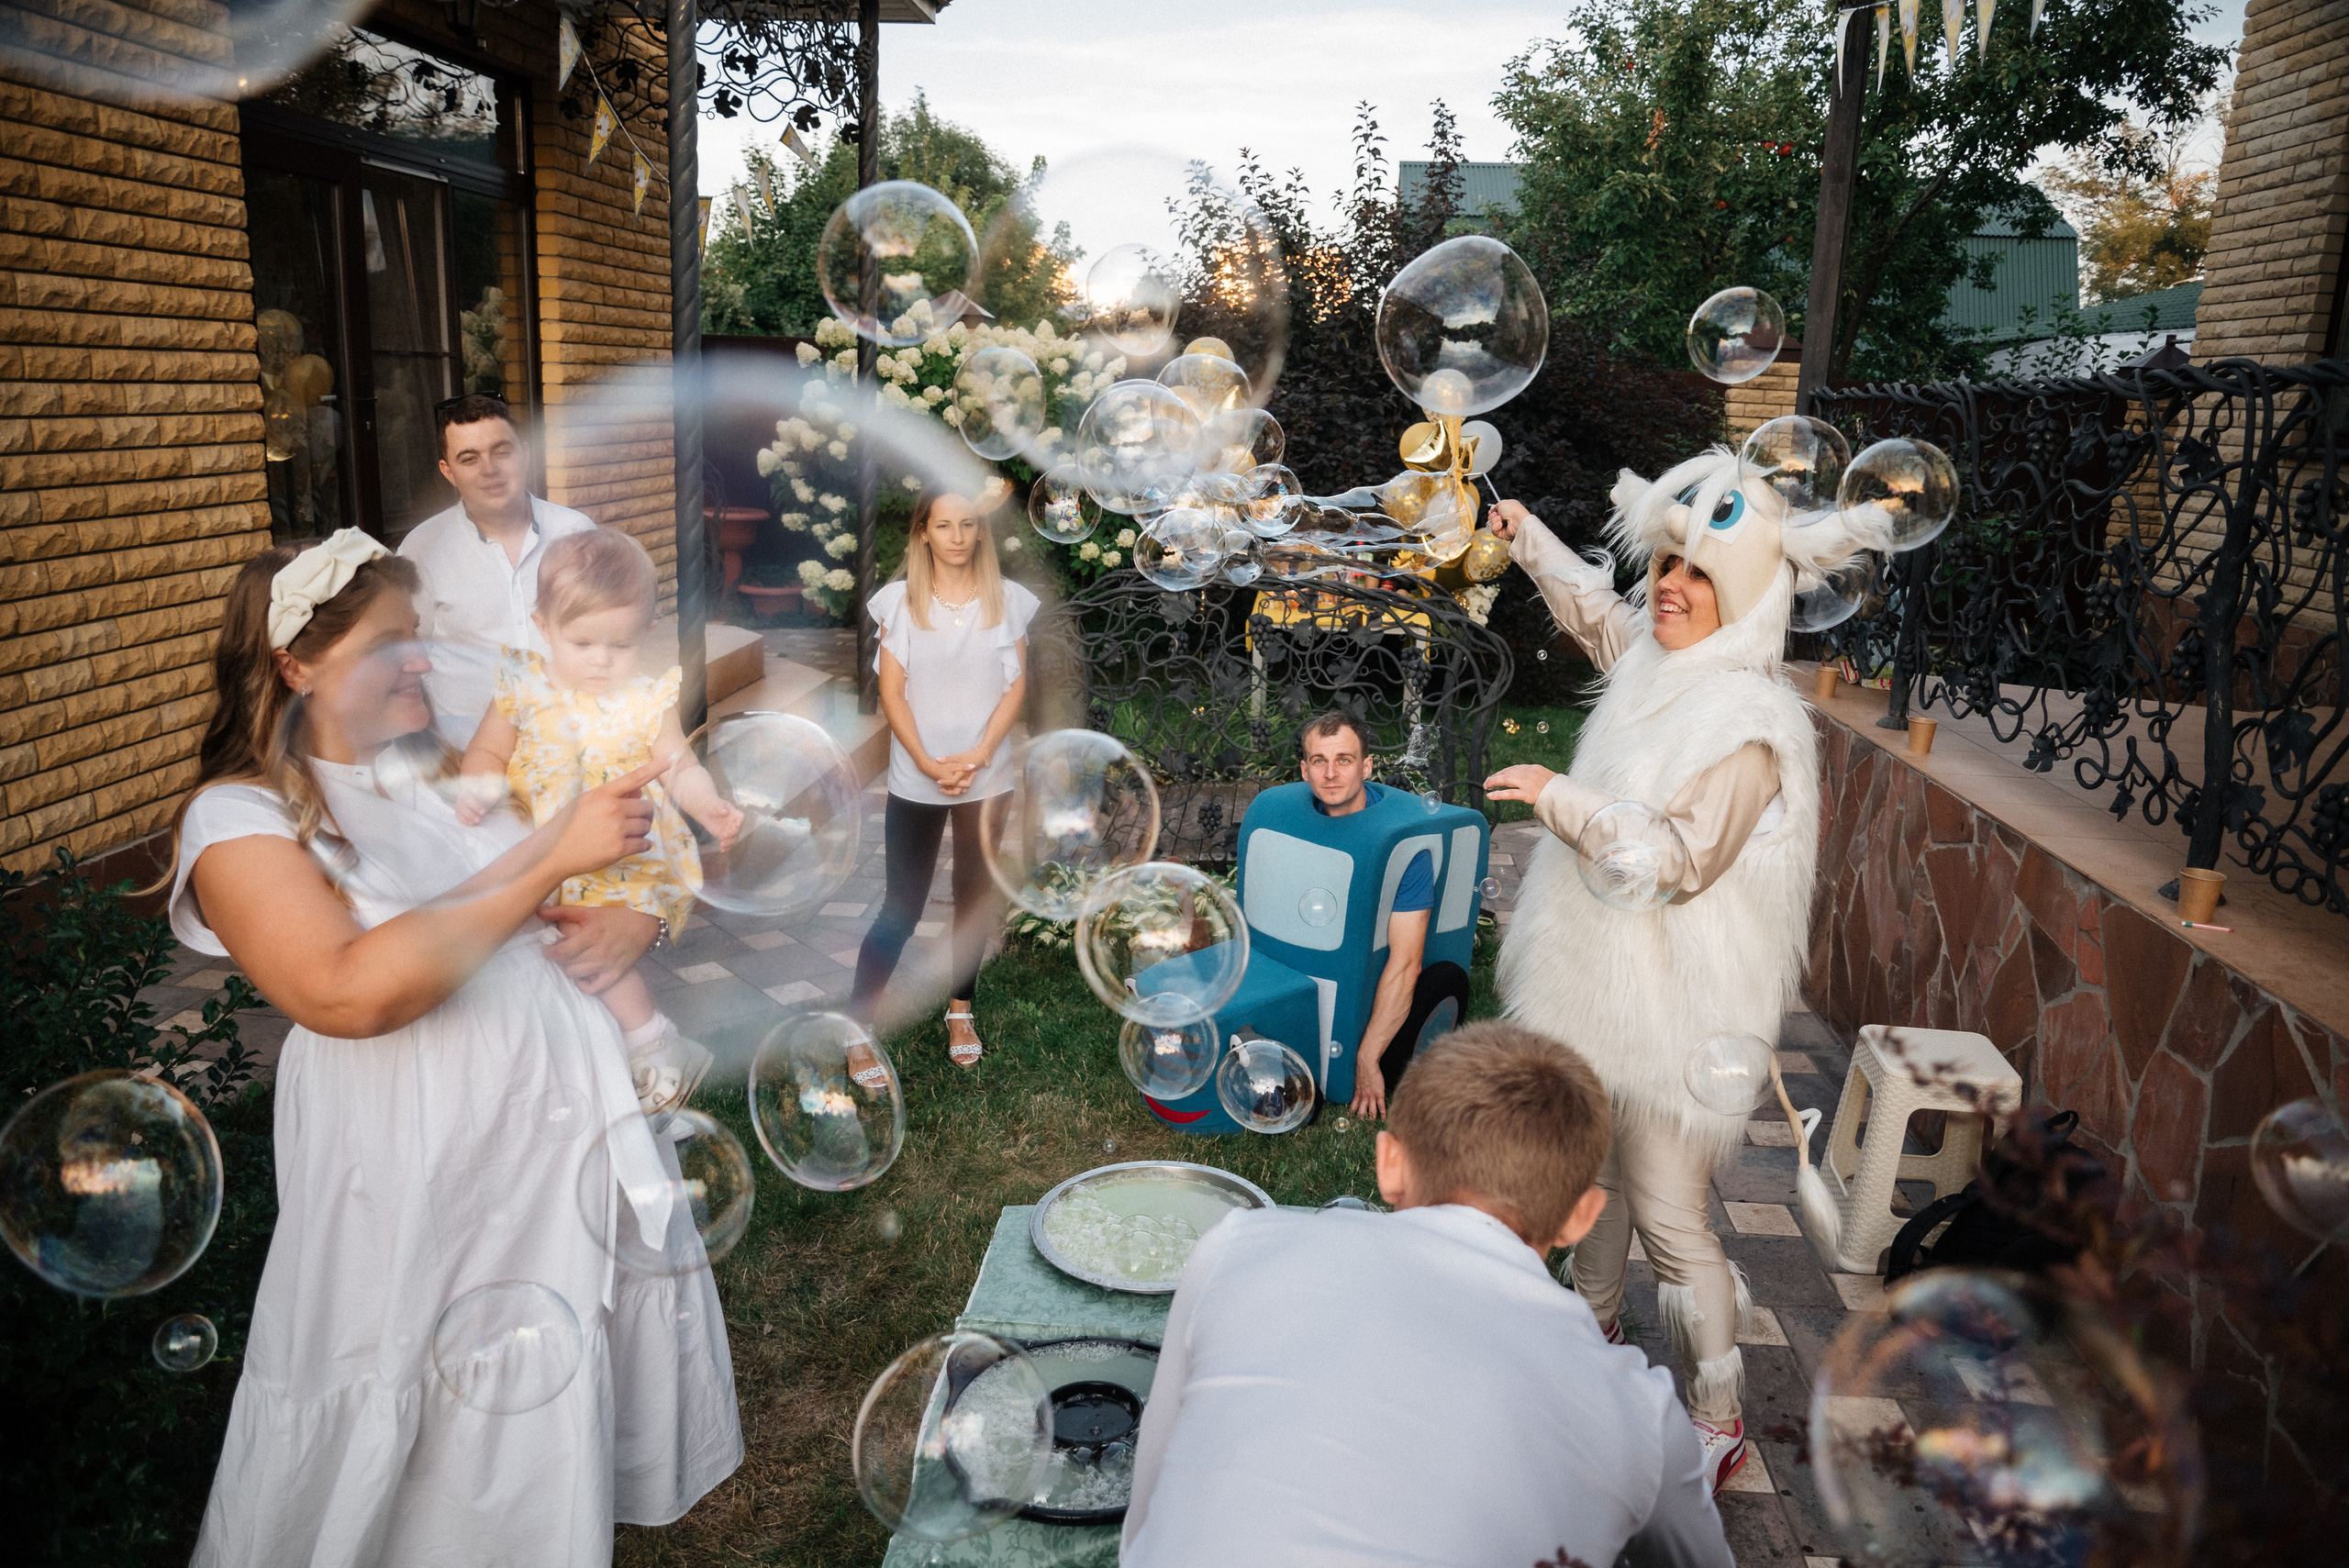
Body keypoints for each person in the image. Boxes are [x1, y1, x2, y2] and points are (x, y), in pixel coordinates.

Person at [168, 529, 741, 1565]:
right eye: (395, 641)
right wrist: (546, 856)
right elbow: (343, 990)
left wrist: (637, 924)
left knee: (532, 1371)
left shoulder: (424, 784)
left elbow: (544, 903)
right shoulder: (239, 817)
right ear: (297, 665)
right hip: (412, 1160)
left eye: (422, 635)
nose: (424, 660)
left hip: (541, 1153)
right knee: (410, 1362)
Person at [1484, 448, 1888, 1494]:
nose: (1669, 585)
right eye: (1666, 561)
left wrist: (1554, 795)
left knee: (1669, 1215)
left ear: (1748, 591)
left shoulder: (1748, 726)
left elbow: (1670, 860)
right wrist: (1522, 532)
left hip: (1674, 1019)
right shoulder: (1658, 664)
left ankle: (1719, 1419)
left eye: (1700, 572)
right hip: (1591, 991)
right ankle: (1589, 1340)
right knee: (1591, 1182)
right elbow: (1591, 608)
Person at [1120, 1021, 1735, 1568]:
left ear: (1389, 1163)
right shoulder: (1641, 1412)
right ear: (1581, 1216)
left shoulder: (1238, 1245)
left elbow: (1146, 1511)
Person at [456, 528, 740, 1125]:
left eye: (619, 645)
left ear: (645, 634)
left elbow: (678, 765)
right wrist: (480, 786)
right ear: (541, 625)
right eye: (582, 641)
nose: (600, 660)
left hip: (622, 855)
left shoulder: (644, 702)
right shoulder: (522, 690)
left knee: (591, 955)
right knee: (547, 966)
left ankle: (652, 1039)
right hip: (539, 851)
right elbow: (483, 752)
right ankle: (599, 1074)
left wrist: (707, 802)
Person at [849, 490, 1036, 1069]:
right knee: (900, 908)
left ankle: (960, 1010)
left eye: (968, 525)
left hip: (987, 775)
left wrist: (980, 753)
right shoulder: (900, 604)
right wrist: (930, 763)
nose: (957, 536)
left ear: (980, 533)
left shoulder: (1006, 601)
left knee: (971, 900)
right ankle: (856, 1027)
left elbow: (1016, 686)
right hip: (917, 775)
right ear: (923, 533)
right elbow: (892, 693)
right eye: (944, 525)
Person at [398, 392, 596, 745]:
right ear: (449, 471)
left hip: (572, 745)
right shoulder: (422, 549)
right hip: (468, 755)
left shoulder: (577, 533)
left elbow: (604, 633)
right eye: (469, 458)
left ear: (525, 454)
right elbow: (413, 655)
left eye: (501, 452)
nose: (489, 469)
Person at [1289, 710, 1437, 1121]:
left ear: (1367, 766)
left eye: (1345, 759)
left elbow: (1407, 961)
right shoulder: (1290, 825)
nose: (1331, 773)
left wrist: (1367, 1058)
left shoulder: (1402, 847)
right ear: (1305, 770)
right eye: (1319, 760)